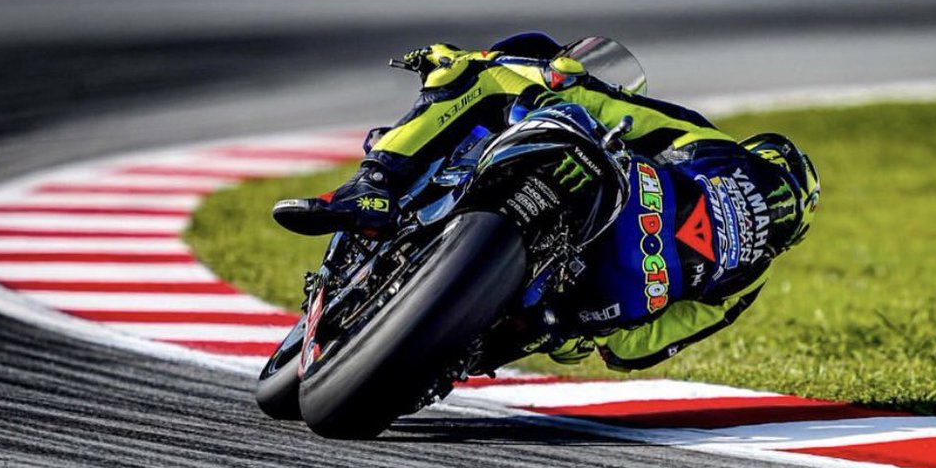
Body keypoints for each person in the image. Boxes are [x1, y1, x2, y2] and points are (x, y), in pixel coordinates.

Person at [273, 33, 820, 372]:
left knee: (480, 76)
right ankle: (495, 332)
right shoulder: (751, 278)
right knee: (547, 332)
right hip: (588, 301)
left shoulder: (721, 150)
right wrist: (580, 334)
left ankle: (374, 185)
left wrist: (526, 75)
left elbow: (613, 109)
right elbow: (636, 352)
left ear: (765, 157)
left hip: (601, 207)